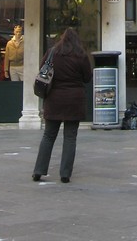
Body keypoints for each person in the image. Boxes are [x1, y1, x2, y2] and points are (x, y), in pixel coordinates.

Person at [32, 27, 92, 184]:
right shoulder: (81, 55)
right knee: (70, 137)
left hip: (54, 100)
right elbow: (87, 77)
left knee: (48, 136)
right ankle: (65, 174)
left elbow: (42, 70)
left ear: (62, 39)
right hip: (74, 101)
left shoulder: (52, 53)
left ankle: (39, 170)